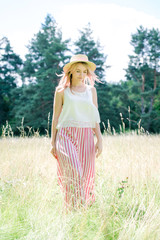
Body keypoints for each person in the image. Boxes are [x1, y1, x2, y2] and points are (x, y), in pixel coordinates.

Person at [50, 54, 102, 212]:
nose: (81, 75)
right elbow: (55, 118)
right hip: (65, 135)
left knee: (85, 177)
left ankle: (78, 213)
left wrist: (99, 139)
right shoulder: (61, 91)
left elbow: (95, 116)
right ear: (71, 72)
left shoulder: (91, 91)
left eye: (84, 71)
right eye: (78, 71)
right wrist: (52, 143)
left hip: (86, 136)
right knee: (75, 173)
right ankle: (73, 209)